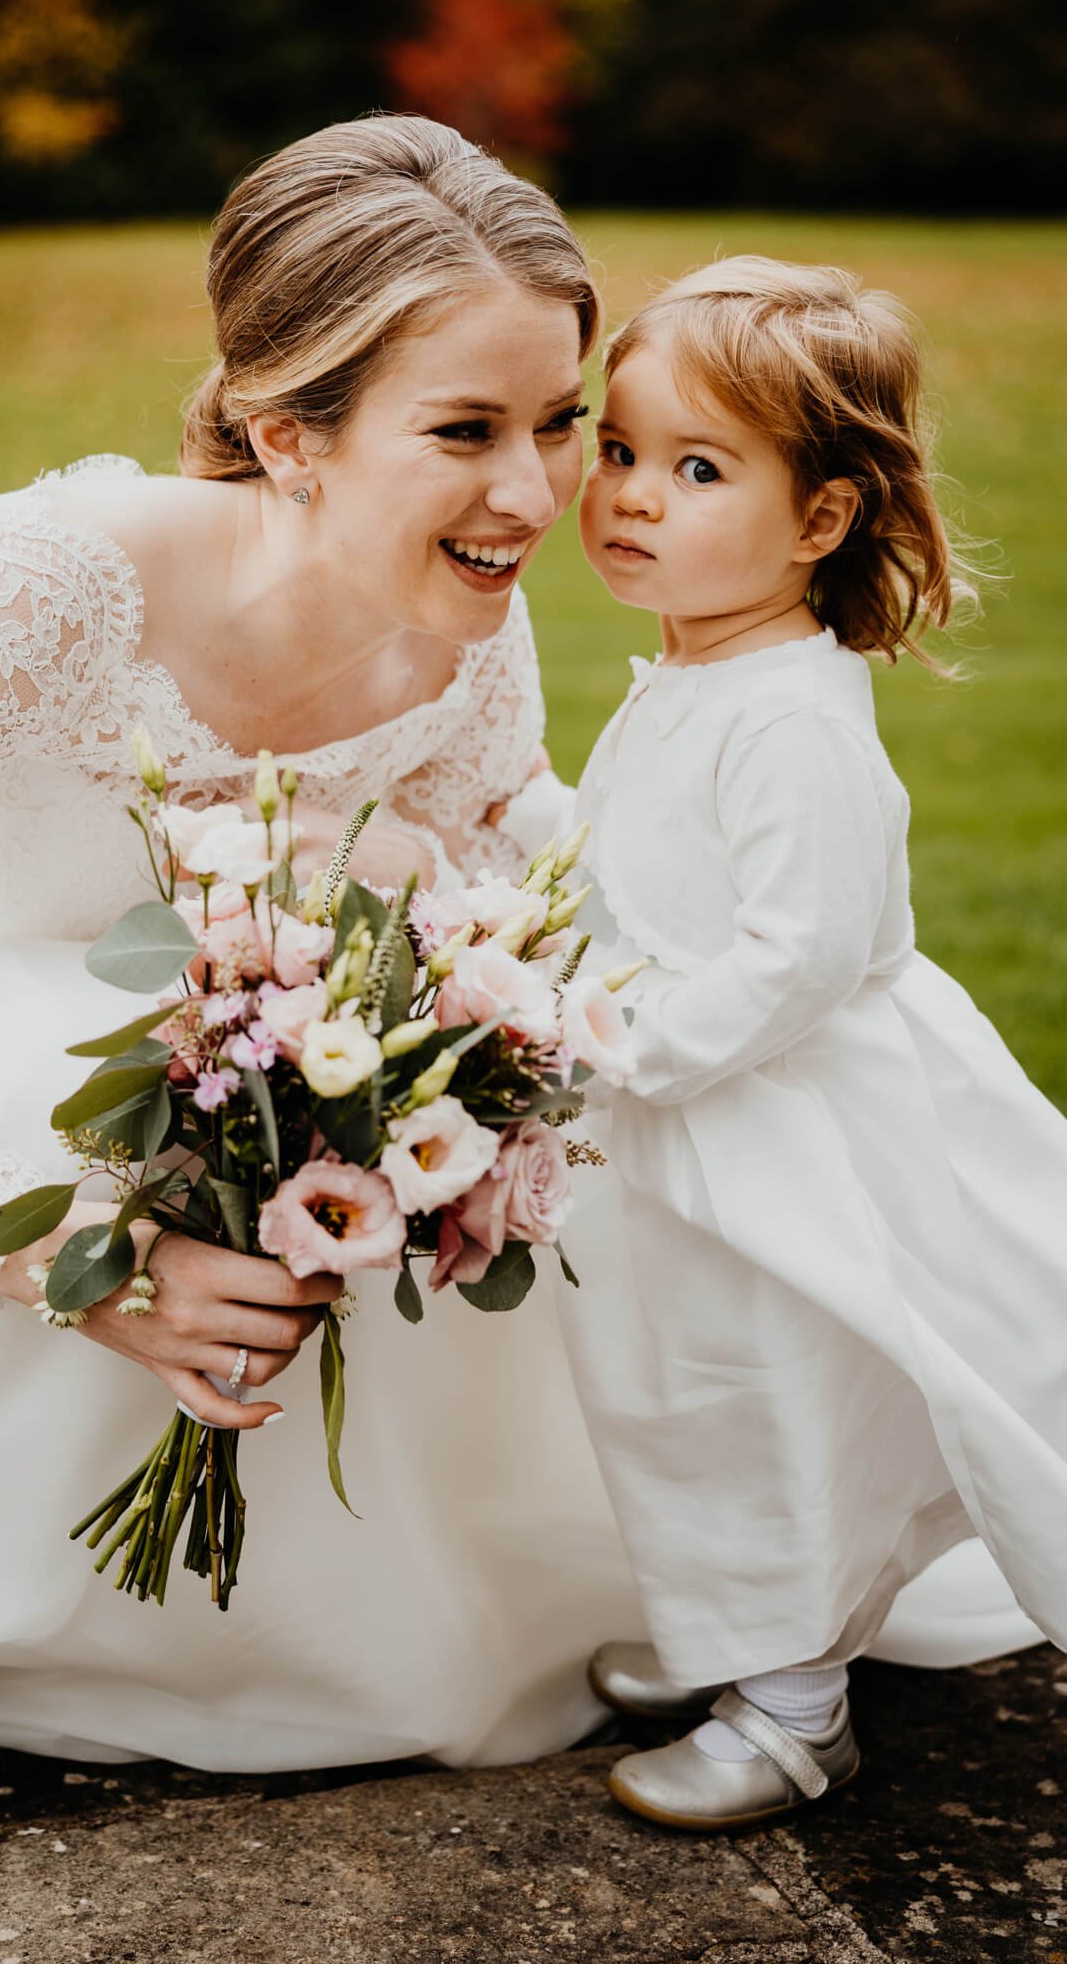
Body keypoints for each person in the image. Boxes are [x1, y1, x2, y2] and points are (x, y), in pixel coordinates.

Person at [0, 114, 658, 1770]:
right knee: (40, 1114)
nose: (533, 493)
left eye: (558, 421)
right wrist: (91, 1260)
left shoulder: (458, 625)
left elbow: (516, 884)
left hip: (240, 1057)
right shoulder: (40, 581)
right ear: (289, 435)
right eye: (466, 430)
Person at [545, 256, 1066, 1828]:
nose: (631, 497)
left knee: (764, 1383)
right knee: (672, 1387)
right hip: (684, 1119)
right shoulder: (698, 667)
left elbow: (798, 953)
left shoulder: (787, 716)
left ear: (821, 519)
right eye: (621, 450)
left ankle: (788, 1708)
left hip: (785, 1124)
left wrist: (617, 1038)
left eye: (696, 469)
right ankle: (738, 1629)